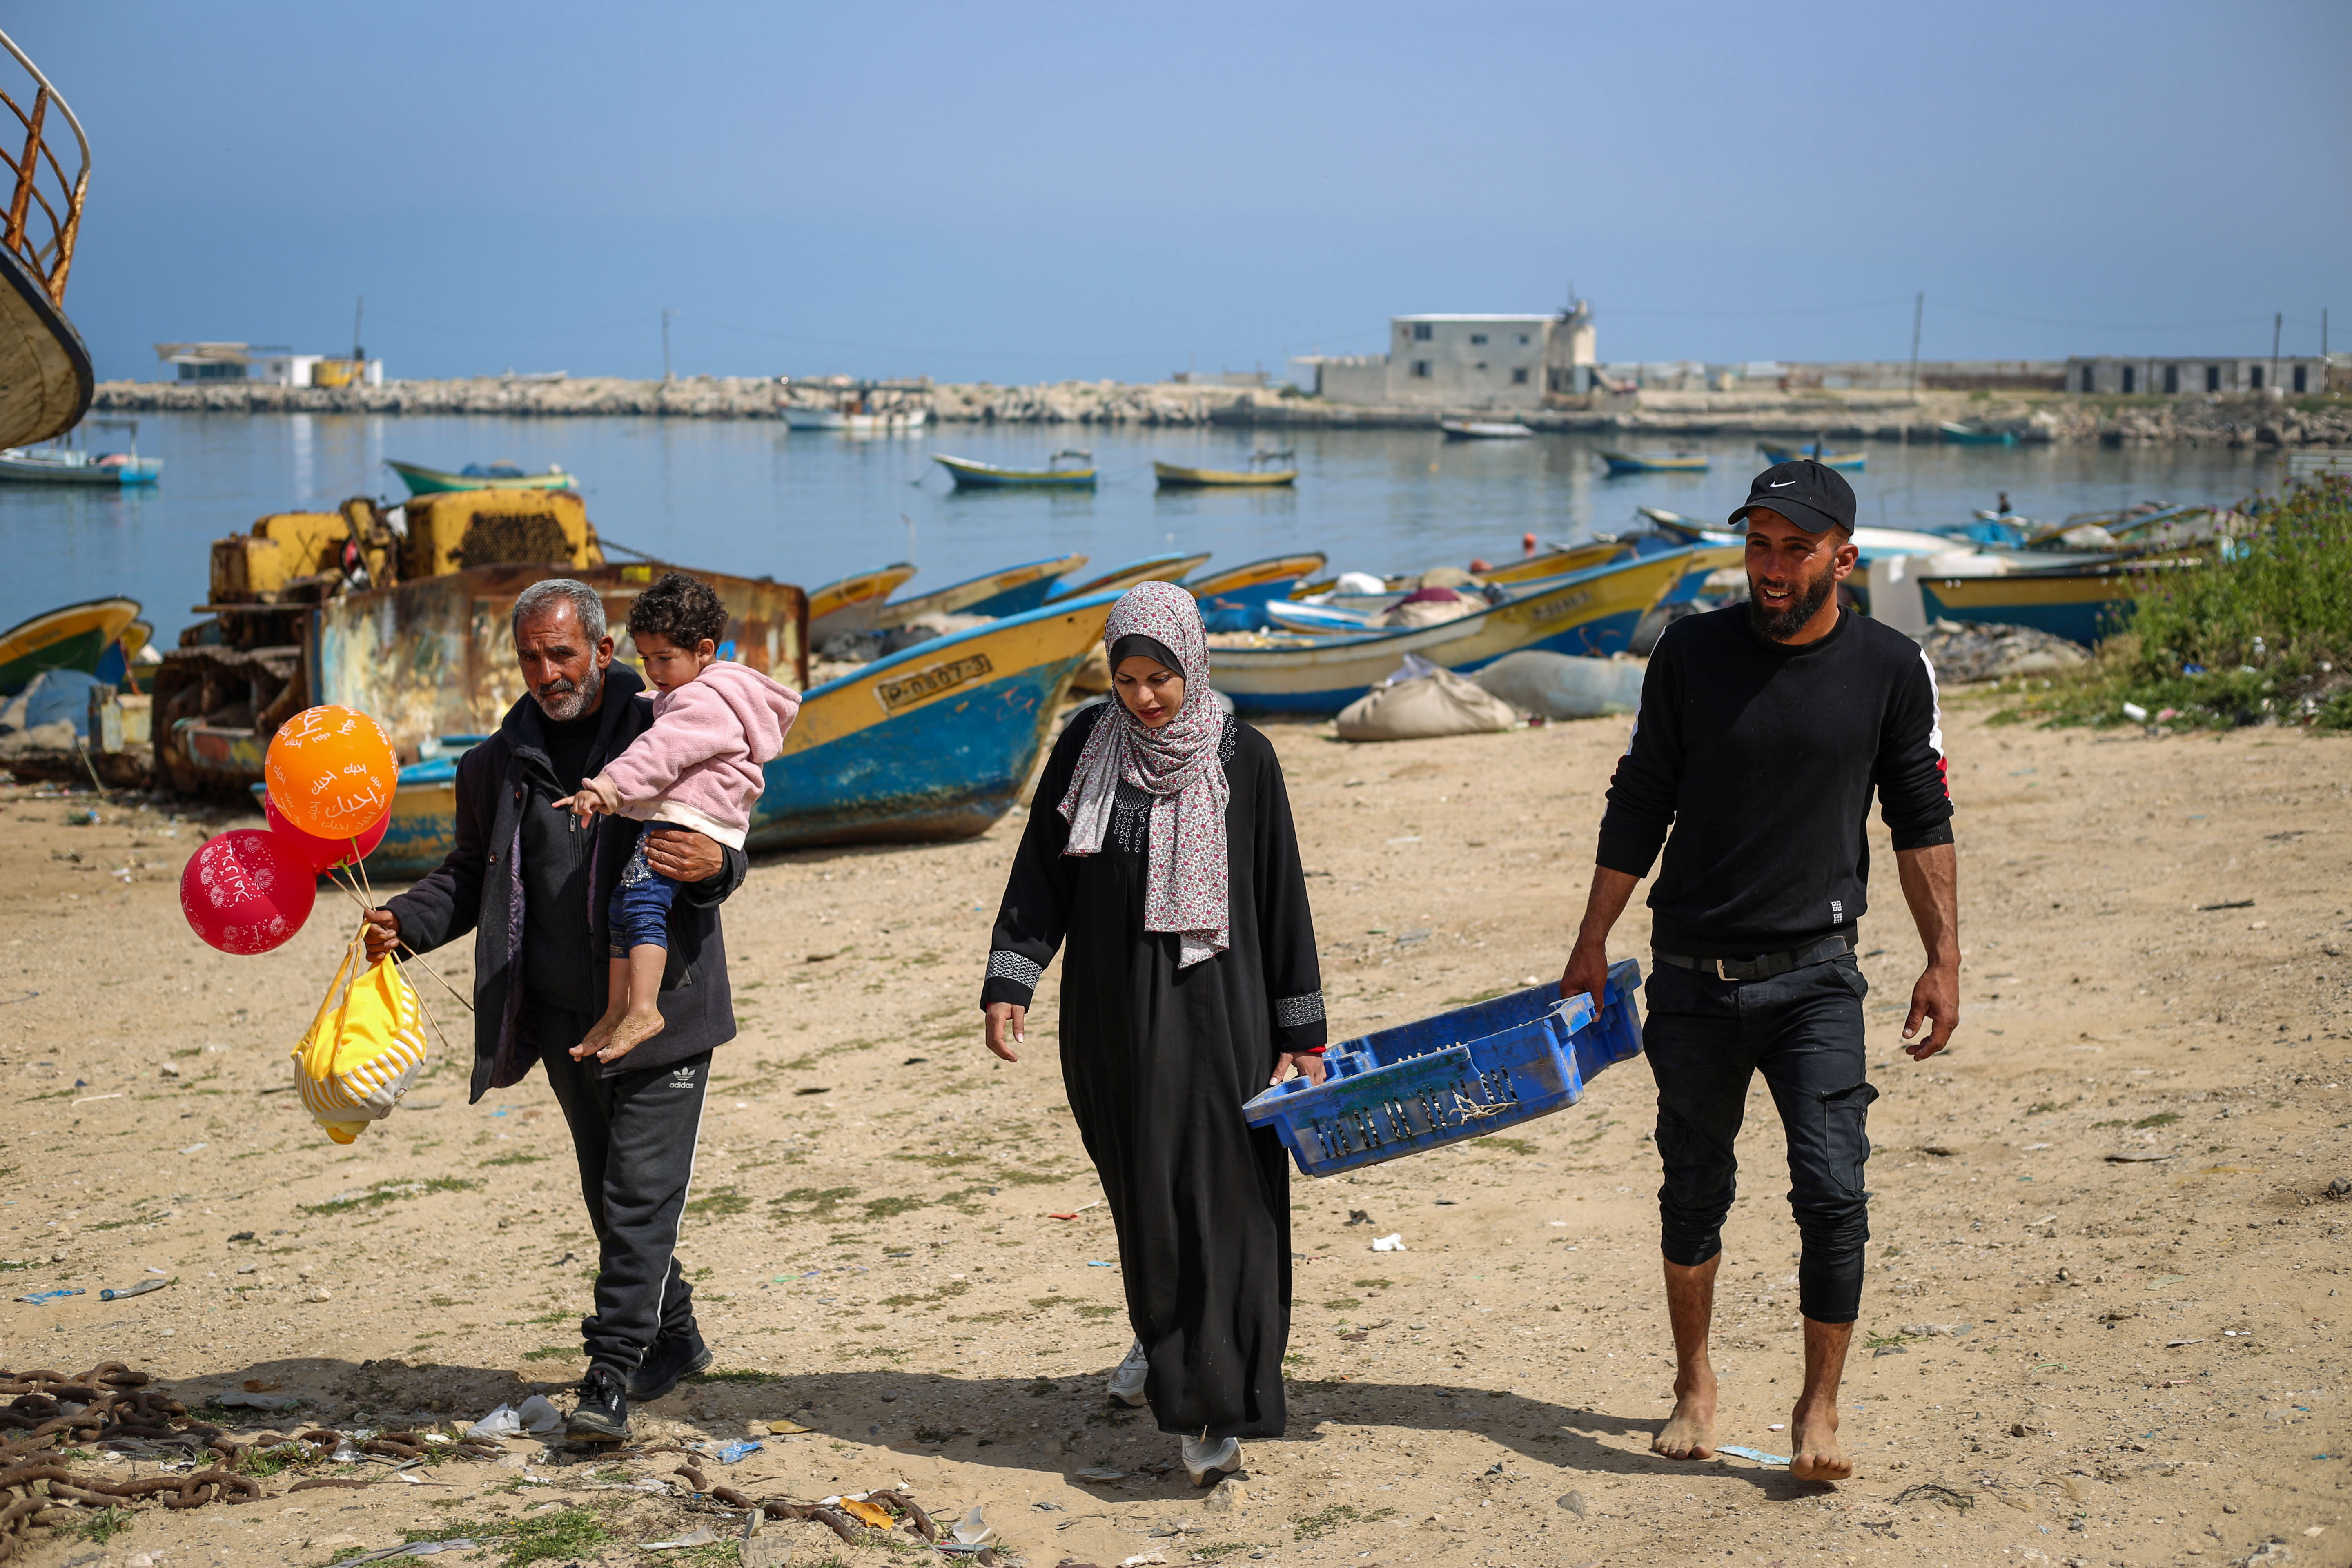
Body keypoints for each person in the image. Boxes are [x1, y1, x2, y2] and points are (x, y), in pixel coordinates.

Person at [1558, 459, 1958, 1483]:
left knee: (1831, 1194)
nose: (1770, 567)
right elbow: (1640, 793)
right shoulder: (1689, 652)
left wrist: (1941, 957)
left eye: (1793, 548)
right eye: (1756, 545)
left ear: (1842, 558)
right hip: (1692, 974)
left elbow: (1918, 819)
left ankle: (1816, 1407)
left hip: (1816, 976)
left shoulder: (1889, 667)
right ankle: (1694, 1381)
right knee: (1692, 1189)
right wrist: (1591, 934)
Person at [361, 578, 750, 1444]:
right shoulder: (495, 765)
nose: (546, 670)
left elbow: (725, 833)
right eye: (531, 656)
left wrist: (713, 870)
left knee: (641, 1196)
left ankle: (610, 1372)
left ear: (604, 652)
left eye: (562, 652)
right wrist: (407, 922)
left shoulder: (667, 726)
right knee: (611, 1197)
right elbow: (469, 873)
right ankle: (675, 1341)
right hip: (568, 1023)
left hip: (665, 1009)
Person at [980, 581, 1327, 1488]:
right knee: (1147, 1196)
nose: (1143, 698)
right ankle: (1163, 1336)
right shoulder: (1083, 750)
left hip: (1224, 1019)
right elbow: (1038, 882)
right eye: (1126, 679)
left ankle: (1214, 1401)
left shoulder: (1244, 758)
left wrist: (1305, 1029)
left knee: (1228, 1202)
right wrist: (1011, 977)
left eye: (1160, 679)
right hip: (1112, 1022)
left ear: (1193, 665)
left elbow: (1280, 895)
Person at [561, 572, 799, 1061]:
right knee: (622, 908)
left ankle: (643, 1008)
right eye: (645, 659)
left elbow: (663, 748)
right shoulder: (698, 693)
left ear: (705, 650)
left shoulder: (704, 700)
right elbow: (668, 712)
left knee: (643, 903)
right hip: (691, 814)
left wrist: (608, 787)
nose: (652, 671)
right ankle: (617, 1009)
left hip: (691, 818)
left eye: (664, 659)